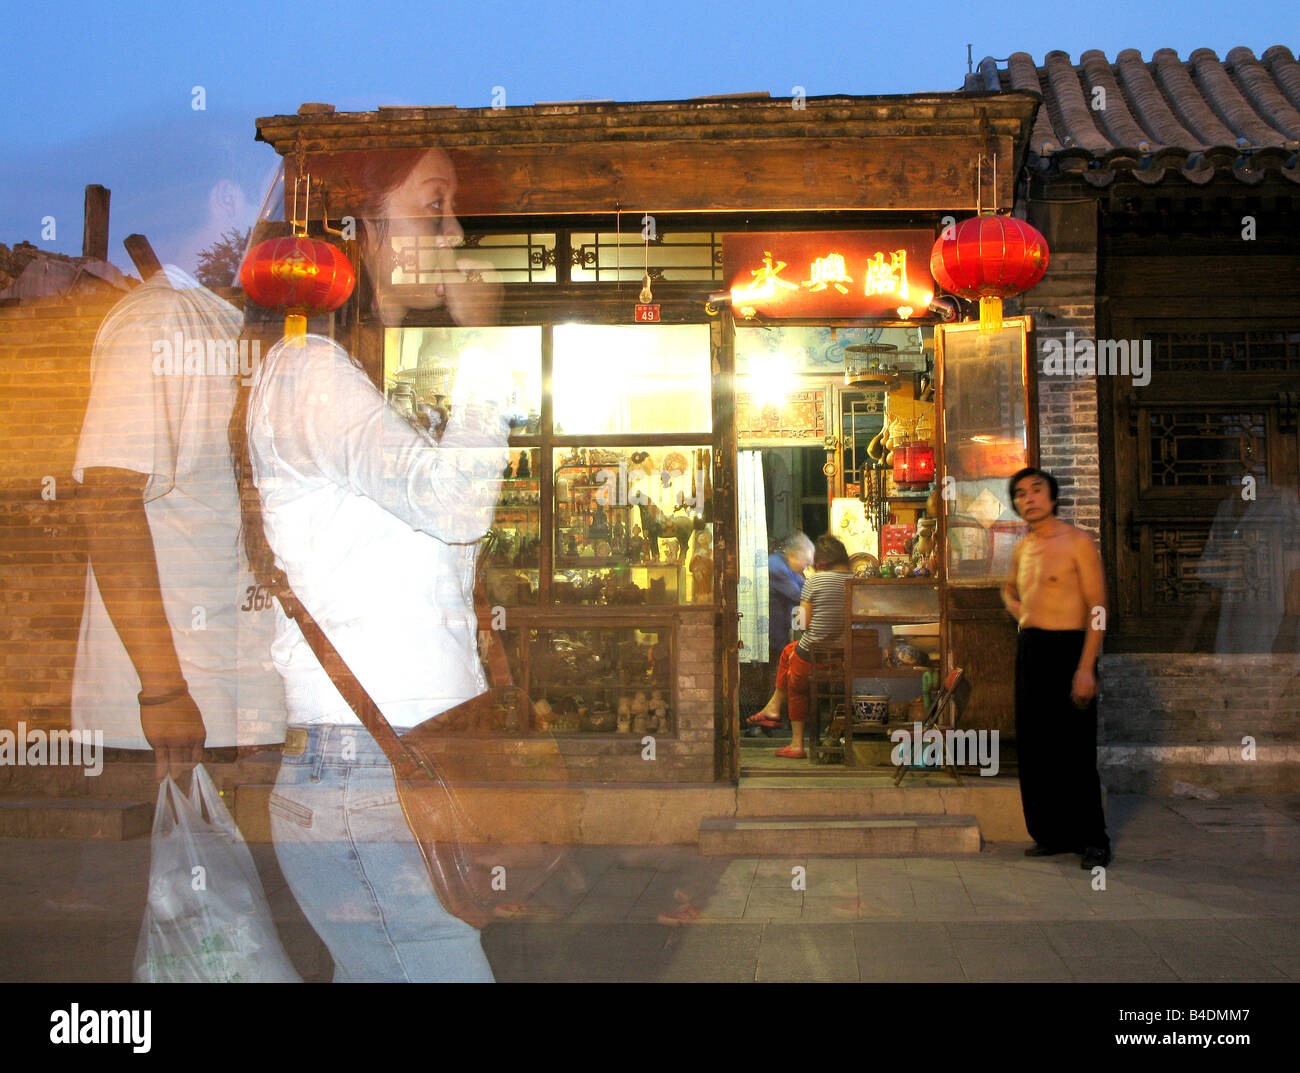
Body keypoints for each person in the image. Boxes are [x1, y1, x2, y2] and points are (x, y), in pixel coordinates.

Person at [242, 145, 511, 981]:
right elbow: (457, 502)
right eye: (434, 207)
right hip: (363, 774)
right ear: (361, 227)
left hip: (400, 762)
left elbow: (449, 532)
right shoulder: (306, 375)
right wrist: (487, 348)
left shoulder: (356, 382)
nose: (457, 230)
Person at [73, 263, 286, 779]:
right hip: (171, 723)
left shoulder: (241, 325)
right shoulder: (158, 322)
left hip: (242, 703)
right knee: (182, 858)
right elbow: (110, 505)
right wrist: (163, 690)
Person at [1001, 466, 1111, 869]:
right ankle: (1051, 833)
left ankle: (1093, 839)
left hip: (1071, 648)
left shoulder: (1078, 542)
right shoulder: (1022, 548)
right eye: (1020, 493)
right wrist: (1019, 611)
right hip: (1032, 649)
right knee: (1036, 747)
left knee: (1075, 749)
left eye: (1036, 490)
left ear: (1052, 496)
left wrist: (1087, 667)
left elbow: (1098, 609)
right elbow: (1009, 589)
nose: (1028, 498)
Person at [747, 533, 852, 758]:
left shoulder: (814, 580)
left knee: (796, 679)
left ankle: (795, 743)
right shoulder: (857, 580)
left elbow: (803, 623)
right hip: (847, 654)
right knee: (788, 652)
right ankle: (773, 709)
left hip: (814, 653)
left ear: (820, 561)